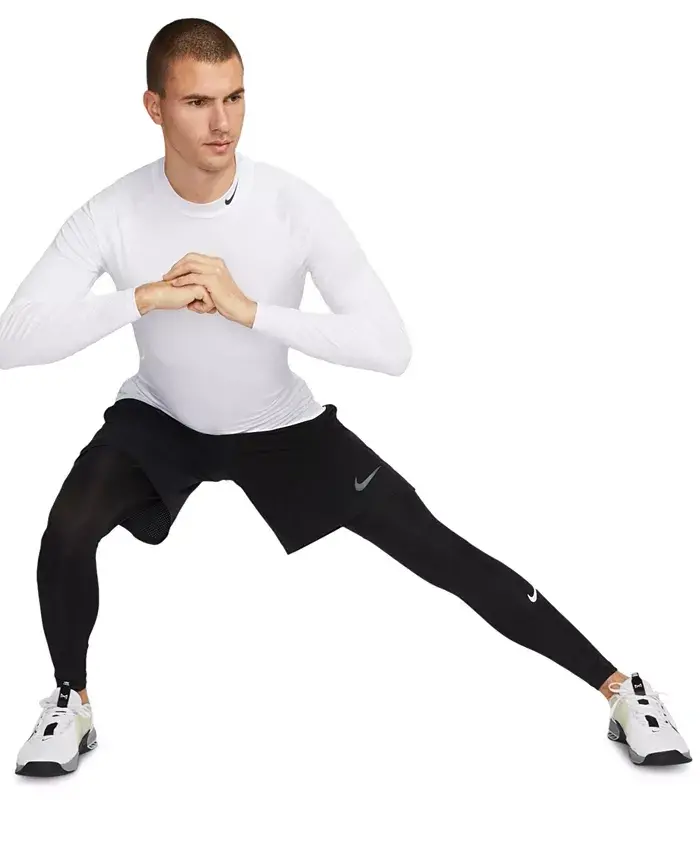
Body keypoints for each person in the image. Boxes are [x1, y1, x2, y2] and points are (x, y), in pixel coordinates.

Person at [2, 18, 691, 778]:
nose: (222, 122)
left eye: (235, 97)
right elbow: (13, 338)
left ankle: (623, 691)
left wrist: (249, 311)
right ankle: (70, 702)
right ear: (154, 106)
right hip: (160, 416)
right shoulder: (111, 212)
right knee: (67, 530)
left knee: (435, 547)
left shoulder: (294, 206)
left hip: (279, 424)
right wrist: (145, 297)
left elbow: (390, 348)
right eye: (198, 102)